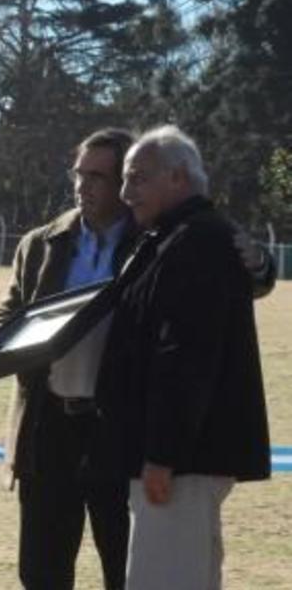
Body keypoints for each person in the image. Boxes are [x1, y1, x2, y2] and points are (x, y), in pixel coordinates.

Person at [0, 128, 275, 590]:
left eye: (100, 176)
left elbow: (225, 290)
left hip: (117, 430)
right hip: (49, 425)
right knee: (42, 569)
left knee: (127, 565)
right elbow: (8, 312)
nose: (87, 186)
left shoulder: (159, 236)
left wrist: (259, 261)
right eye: (80, 174)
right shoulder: (43, 242)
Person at [96, 125, 270, 589]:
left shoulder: (196, 241)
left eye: (139, 178)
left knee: (163, 579)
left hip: (181, 464)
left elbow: (185, 356)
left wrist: (162, 455)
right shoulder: (171, 238)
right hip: (175, 458)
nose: (126, 191)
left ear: (177, 178)